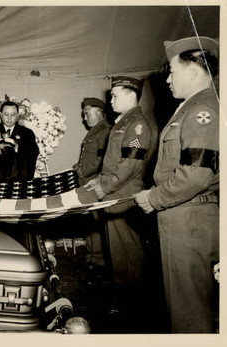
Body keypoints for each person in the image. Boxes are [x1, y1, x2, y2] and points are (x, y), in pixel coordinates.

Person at [135, 36, 219, 333]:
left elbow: (196, 174)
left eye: (172, 70)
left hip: (189, 223)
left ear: (194, 70)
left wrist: (154, 198)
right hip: (182, 218)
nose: (168, 79)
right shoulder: (190, 107)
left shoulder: (202, 110)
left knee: (190, 315)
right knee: (182, 308)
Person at [85, 76, 155, 305]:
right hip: (114, 192)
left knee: (126, 250)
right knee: (115, 250)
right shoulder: (123, 122)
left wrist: (104, 186)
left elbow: (131, 164)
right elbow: (112, 162)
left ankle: (130, 301)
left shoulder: (137, 124)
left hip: (124, 195)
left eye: (115, 96)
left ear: (130, 94)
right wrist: (98, 182)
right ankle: (120, 293)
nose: (111, 100)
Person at [73, 97, 111, 268]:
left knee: (96, 220)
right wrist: (78, 166)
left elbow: (102, 159)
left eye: (87, 114)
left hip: (94, 182)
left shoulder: (104, 131)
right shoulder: (95, 130)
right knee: (90, 219)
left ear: (98, 113)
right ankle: (92, 254)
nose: (85, 118)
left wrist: (83, 170)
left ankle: (99, 258)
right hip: (86, 182)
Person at [0, 101, 39, 183]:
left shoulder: (27, 133)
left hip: (18, 180)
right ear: (1, 115)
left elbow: (33, 153)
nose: (9, 118)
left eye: (13, 114)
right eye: (6, 114)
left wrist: (17, 147)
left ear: (17, 116)